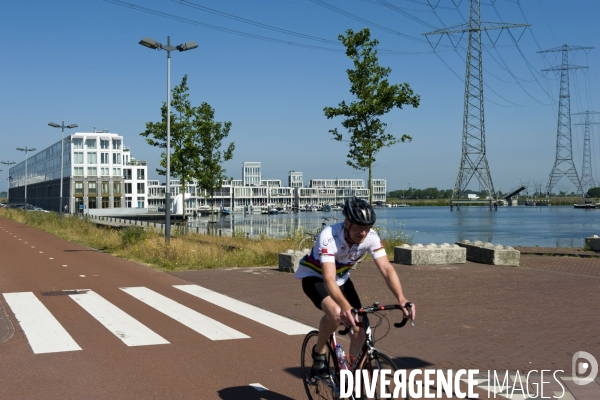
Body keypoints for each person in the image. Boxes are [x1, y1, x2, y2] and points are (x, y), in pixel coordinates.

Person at [295, 196, 415, 378]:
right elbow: (328, 278)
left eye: (367, 227)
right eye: (359, 227)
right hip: (315, 277)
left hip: (341, 280)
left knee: (360, 328)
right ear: (347, 223)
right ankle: (319, 352)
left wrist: (401, 298)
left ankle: (350, 377)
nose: (363, 233)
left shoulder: (371, 237)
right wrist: (345, 307)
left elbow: (386, 269)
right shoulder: (329, 237)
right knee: (336, 313)